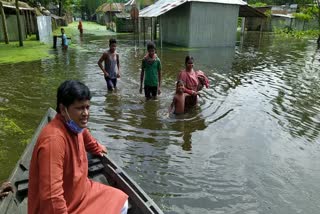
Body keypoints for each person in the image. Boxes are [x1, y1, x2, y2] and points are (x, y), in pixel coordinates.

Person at [28, 80, 128, 214]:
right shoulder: (54, 141)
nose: (86, 113)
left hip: (82, 192)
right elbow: (52, 198)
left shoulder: (75, 125)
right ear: (63, 109)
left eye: (87, 107)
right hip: (63, 206)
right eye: (80, 108)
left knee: (121, 201)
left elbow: (85, 135)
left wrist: (97, 147)